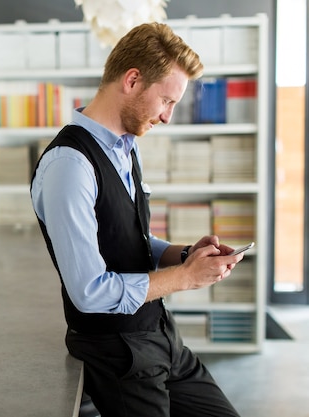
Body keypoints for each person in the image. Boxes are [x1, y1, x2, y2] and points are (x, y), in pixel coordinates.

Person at [30, 22, 244, 417]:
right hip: (118, 354)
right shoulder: (69, 165)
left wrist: (184, 256)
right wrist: (185, 279)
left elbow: (129, 236)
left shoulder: (126, 148)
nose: (167, 117)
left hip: (160, 335)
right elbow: (90, 292)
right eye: (166, 101)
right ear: (132, 80)